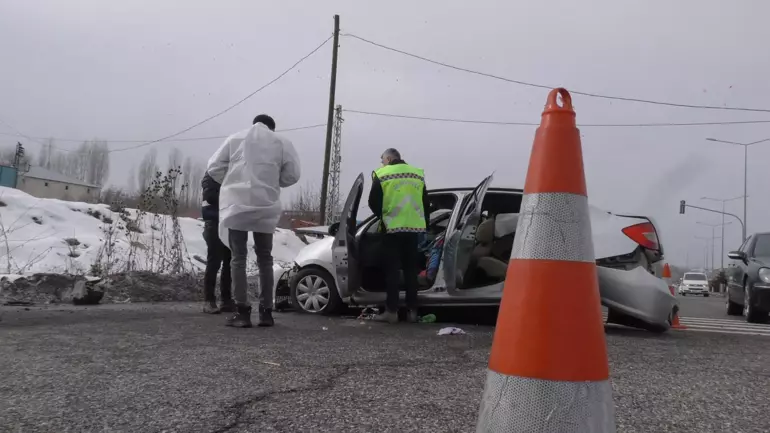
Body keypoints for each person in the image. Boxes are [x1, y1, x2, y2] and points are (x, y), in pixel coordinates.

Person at [205, 114, 301, 328]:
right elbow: (293, 175)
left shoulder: (235, 139)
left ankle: (243, 312)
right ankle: (266, 312)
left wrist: (232, 181)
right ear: (272, 128)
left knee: (238, 258)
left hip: (237, 205)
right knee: (265, 258)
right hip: (266, 205)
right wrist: (270, 181)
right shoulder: (282, 142)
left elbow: (213, 168)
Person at [368, 148, 429, 324]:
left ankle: (392, 311)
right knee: (411, 271)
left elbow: (373, 201)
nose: (381, 163)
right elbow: (425, 201)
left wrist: (384, 215)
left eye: (382, 160)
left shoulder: (382, 174)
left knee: (392, 271)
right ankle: (412, 312)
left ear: (388, 158)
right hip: (413, 229)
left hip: (392, 228)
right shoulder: (417, 174)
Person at [200, 171, 235, 314]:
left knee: (229, 261)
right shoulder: (211, 175)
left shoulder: (229, 174)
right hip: (213, 222)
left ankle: (226, 300)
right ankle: (209, 300)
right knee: (214, 261)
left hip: (228, 222)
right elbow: (210, 197)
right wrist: (231, 196)